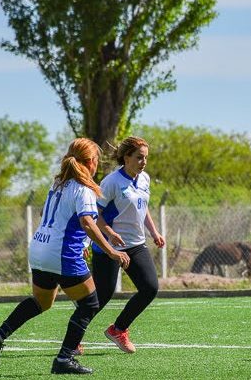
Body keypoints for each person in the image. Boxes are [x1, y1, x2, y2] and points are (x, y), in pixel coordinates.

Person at [0, 138, 130, 375]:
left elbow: (51, 214)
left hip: (40, 249)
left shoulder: (58, 184)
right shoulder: (84, 189)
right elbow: (87, 223)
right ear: (90, 162)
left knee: (42, 302)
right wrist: (111, 251)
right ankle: (64, 358)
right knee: (89, 304)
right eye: (97, 160)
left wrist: (79, 240)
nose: (97, 164)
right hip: (61, 254)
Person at [91, 136, 165, 353]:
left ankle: (118, 329)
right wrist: (110, 233)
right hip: (110, 247)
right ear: (126, 158)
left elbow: (143, 207)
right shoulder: (112, 182)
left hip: (135, 244)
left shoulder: (145, 179)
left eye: (146, 158)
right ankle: (74, 338)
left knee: (150, 288)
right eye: (139, 158)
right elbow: (96, 214)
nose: (143, 162)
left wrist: (154, 231)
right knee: (101, 297)